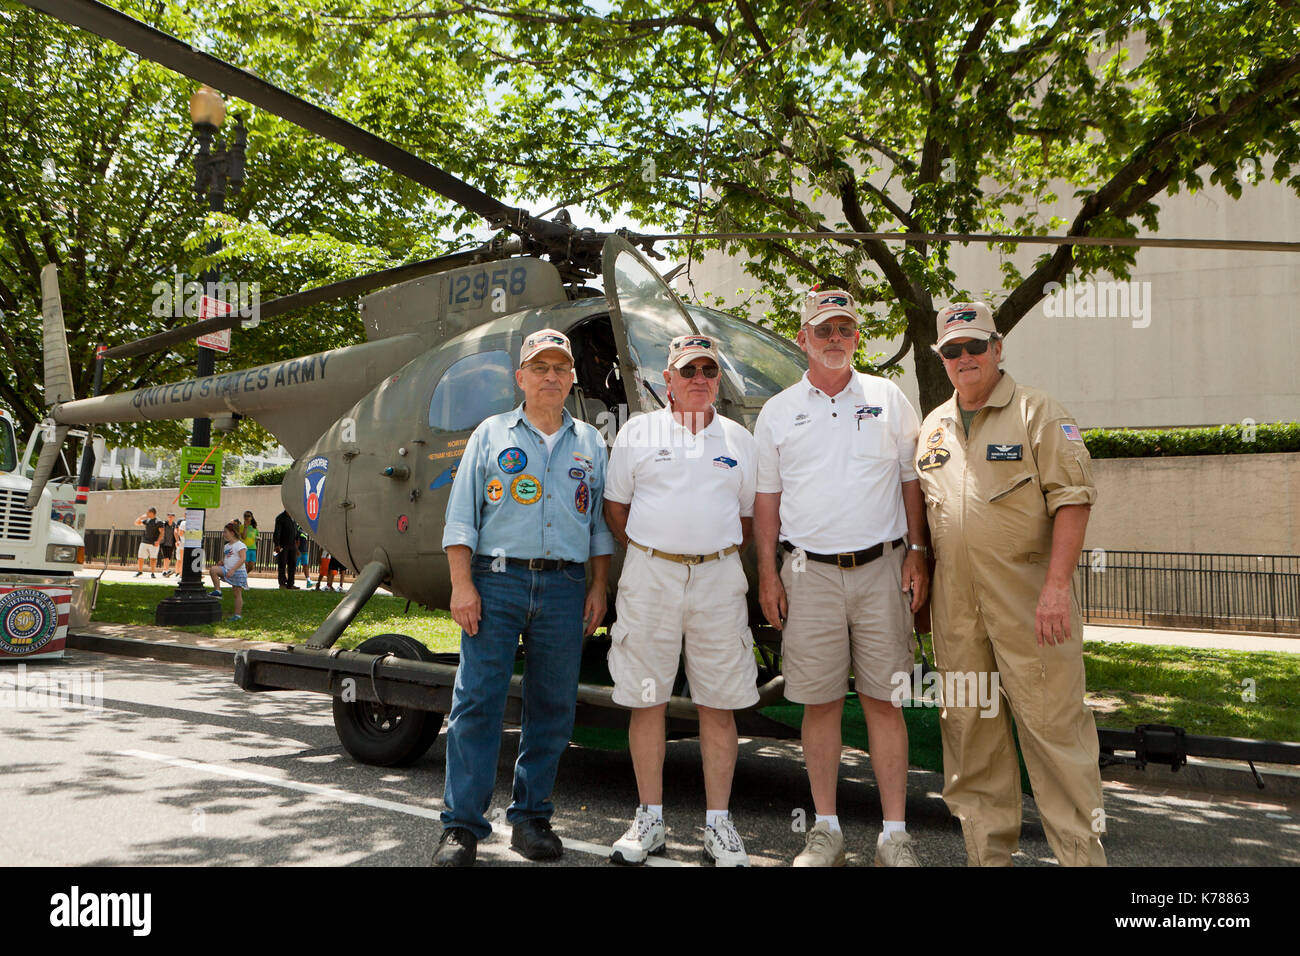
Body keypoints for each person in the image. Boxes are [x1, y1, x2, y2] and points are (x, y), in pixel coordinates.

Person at [916, 302, 1106, 867]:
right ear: (942, 360)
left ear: (999, 349)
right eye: (953, 351)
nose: (965, 358)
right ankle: (986, 858)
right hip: (958, 616)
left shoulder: (1039, 412)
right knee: (972, 739)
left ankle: (1080, 859)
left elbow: (1072, 499)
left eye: (976, 346)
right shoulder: (932, 426)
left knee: (1054, 735)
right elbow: (926, 515)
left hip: (1031, 608)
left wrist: (1056, 588)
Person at [753, 288, 929, 867]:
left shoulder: (889, 398)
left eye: (845, 330)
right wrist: (768, 576)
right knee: (820, 703)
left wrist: (918, 551)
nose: (835, 339)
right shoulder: (777, 411)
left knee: (885, 702)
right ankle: (825, 831)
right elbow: (767, 503)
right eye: (823, 330)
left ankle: (894, 835)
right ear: (803, 338)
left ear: (858, 337)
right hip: (808, 574)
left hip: (882, 568)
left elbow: (911, 483)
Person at [435, 328, 613, 867]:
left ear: (572, 379)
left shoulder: (591, 443)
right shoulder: (491, 434)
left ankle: (531, 818)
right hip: (497, 579)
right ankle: (462, 827)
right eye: (541, 368)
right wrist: (462, 584)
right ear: (521, 377)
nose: (552, 376)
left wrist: (599, 586)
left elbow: (600, 524)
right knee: (477, 702)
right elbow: (462, 517)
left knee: (553, 706)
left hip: (564, 584)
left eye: (561, 368)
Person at [603, 334, 758, 866]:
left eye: (708, 370)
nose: (699, 378)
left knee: (719, 702)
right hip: (651, 577)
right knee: (647, 699)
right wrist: (659, 551)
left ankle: (719, 824)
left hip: (718, 579)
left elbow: (744, 519)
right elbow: (616, 509)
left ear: (717, 378)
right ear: (666, 379)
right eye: (687, 369)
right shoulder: (637, 433)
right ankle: (648, 819)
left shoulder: (740, 440)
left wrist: (700, 549)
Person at [208, 520, 248, 621]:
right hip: (227, 569)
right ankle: (218, 591)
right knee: (213, 570)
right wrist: (222, 562)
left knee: (237, 594)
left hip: (238, 572)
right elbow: (229, 557)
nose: (224, 534)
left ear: (232, 533)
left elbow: (242, 559)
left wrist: (233, 570)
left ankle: (237, 615)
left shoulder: (240, 545)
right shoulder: (227, 546)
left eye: (225, 532)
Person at [133, 507, 163, 577]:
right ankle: (140, 571)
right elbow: (136, 523)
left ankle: (152, 573)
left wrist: (158, 541)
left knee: (153, 559)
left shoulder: (158, 521)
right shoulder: (147, 520)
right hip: (144, 542)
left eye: (148, 513)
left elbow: (162, 532)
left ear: (152, 513)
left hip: (153, 543)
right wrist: (140, 517)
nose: (146, 514)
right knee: (140, 557)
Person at [273, 509, 300, 589]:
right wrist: (277, 544)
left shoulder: (294, 518)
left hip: (292, 545)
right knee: (282, 564)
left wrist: (297, 544)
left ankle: (290, 584)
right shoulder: (281, 518)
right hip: (283, 544)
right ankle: (282, 583)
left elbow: (296, 531)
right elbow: (277, 532)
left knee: (293, 564)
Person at [158, 512, 179, 577]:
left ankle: (165, 570)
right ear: (167, 517)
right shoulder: (164, 524)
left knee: (169, 557)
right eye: (169, 516)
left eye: (172, 516)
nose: (170, 517)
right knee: (165, 557)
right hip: (164, 542)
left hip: (171, 543)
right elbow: (160, 530)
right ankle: (165, 570)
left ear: (174, 517)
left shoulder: (174, 524)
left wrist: (177, 541)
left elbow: (176, 533)